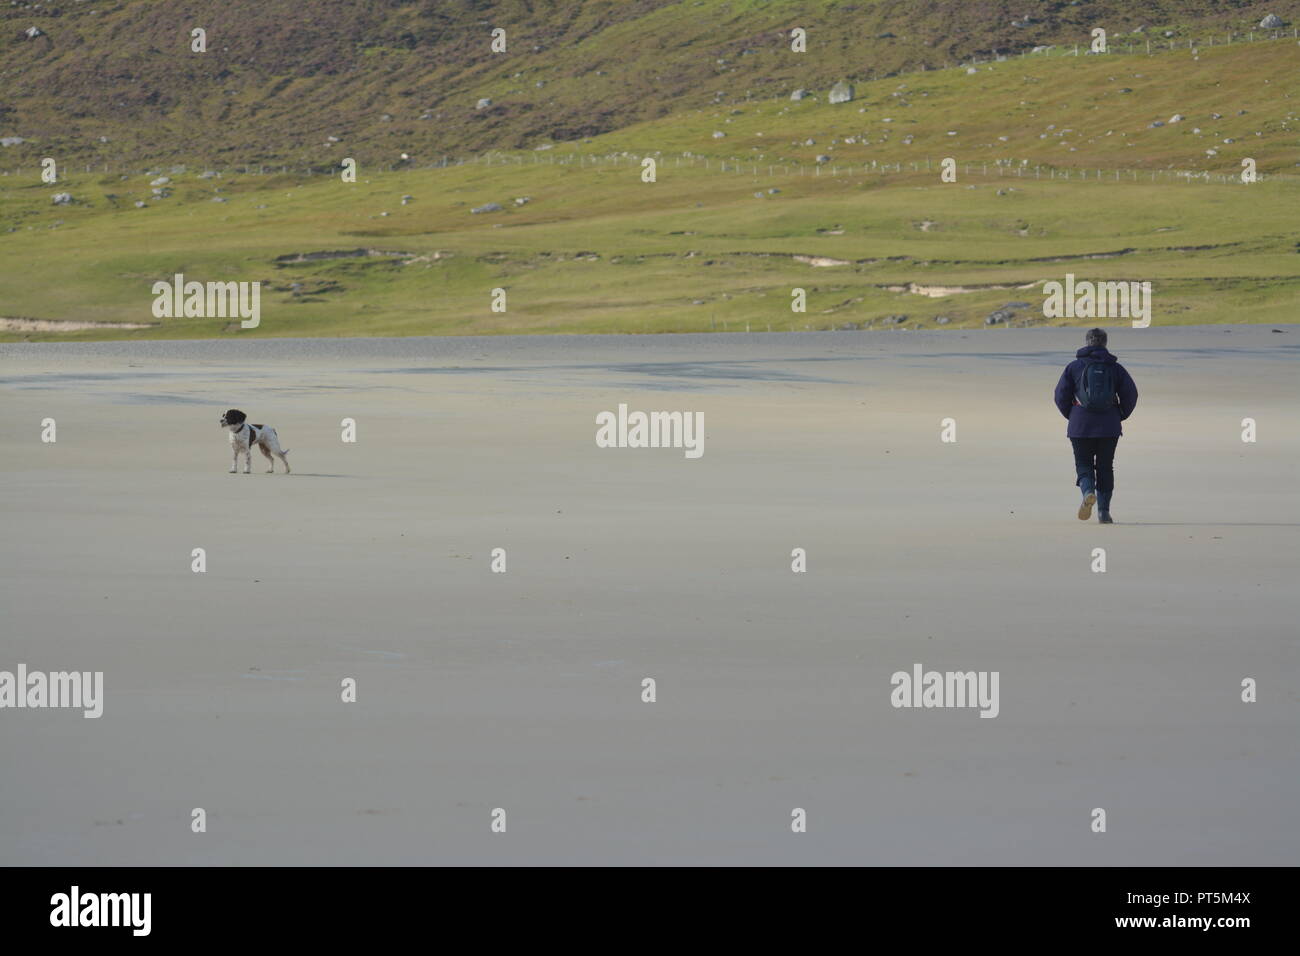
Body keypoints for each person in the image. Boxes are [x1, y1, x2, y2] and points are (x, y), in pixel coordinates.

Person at [1053, 328, 1138, 523]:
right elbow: (1131, 395)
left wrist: (1073, 415)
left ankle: (1087, 492)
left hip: (1080, 425)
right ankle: (1103, 512)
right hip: (1109, 426)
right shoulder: (1116, 368)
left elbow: (1060, 396)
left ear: (1087, 342)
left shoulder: (1074, 367)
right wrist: (1120, 415)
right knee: (1105, 467)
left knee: (1083, 464)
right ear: (1105, 344)